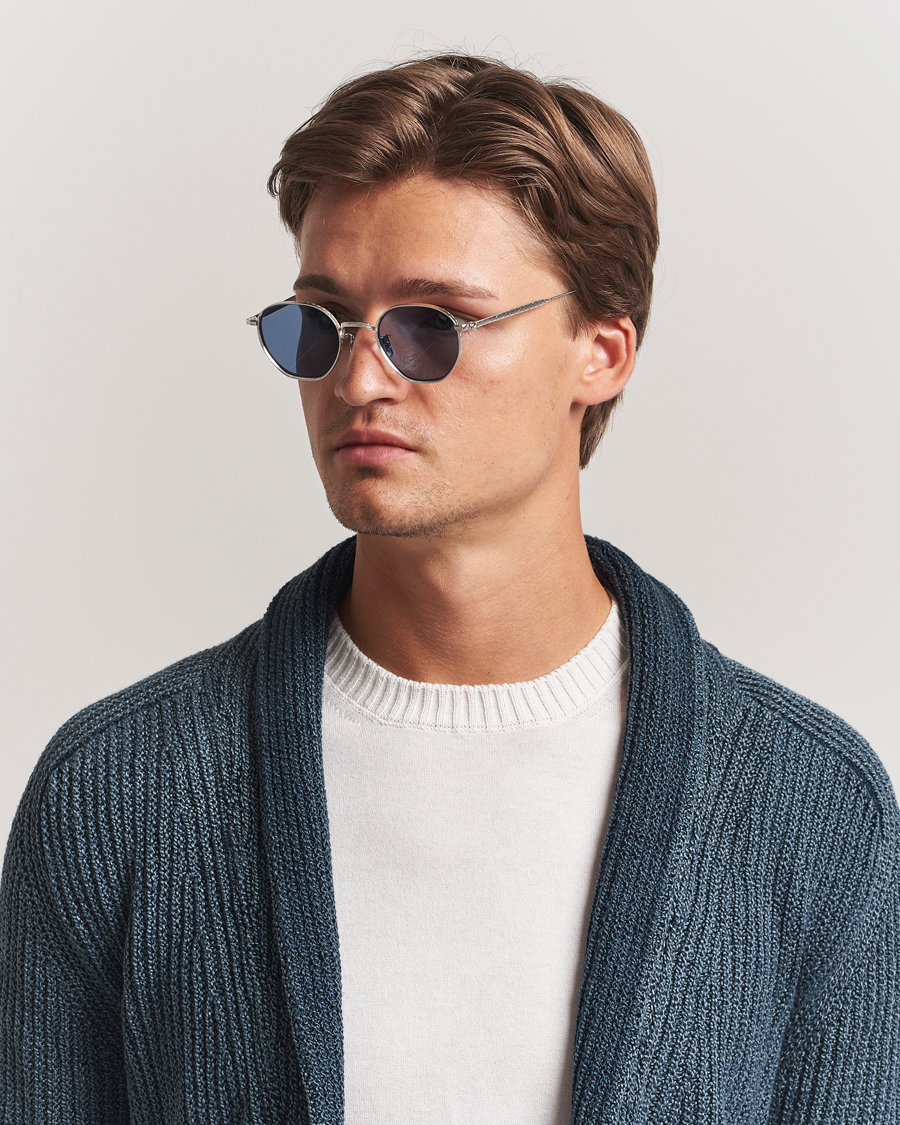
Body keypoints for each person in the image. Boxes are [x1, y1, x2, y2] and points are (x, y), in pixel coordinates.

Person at [1, 52, 898, 1125]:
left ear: (601, 352)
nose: (357, 379)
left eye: (431, 326)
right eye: (320, 325)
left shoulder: (809, 808)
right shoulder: (118, 793)